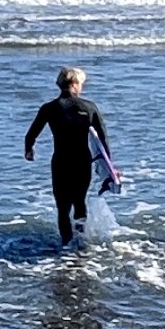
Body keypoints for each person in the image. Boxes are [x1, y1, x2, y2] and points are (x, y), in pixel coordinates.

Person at [24, 67, 111, 245]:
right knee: (79, 202)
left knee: (63, 207)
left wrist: (29, 149)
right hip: (82, 161)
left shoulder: (49, 108)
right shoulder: (89, 107)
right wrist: (109, 166)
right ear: (74, 83)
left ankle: (65, 245)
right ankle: (80, 243)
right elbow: (103, 139)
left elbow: (31, 134)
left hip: (61, 161)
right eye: (81, 83)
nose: (82, 87)